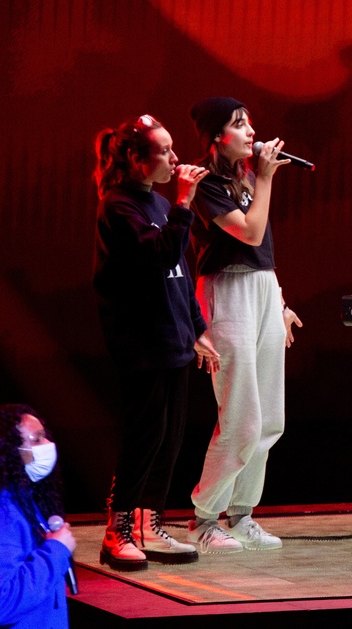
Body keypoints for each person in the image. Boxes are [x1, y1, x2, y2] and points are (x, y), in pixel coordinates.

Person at [92, 114, 219, 570]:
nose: (175, 157)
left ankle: (149, 523)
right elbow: (160, 254)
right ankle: (117, 531)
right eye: (164, 150)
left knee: (170, 437)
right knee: (144, 436)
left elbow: (180, 274)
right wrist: (185, 200)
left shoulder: (161, 207)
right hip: (142, 344)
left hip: (173, 341)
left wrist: (196, 328)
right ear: (134, 157)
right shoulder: (119, 206)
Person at [183, 96, 303, 553]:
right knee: (241, 419)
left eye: (251, 123)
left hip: (262, 290)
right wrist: (268, 178)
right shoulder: (207, 183)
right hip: (226, 293)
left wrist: (279, 301)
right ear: (217, 136)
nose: (251, 131)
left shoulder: (248, 179)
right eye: (239, 125)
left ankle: (242, 515)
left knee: (271, 419)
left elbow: (261, 252)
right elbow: (249, 233)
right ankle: (203, 519)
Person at [0, 405, 77, 629]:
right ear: (10, 451)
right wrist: (55, 550)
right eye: (36, 440)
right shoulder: (5, 515)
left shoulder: (25, 503)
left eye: (45, 437)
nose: (48, 445)